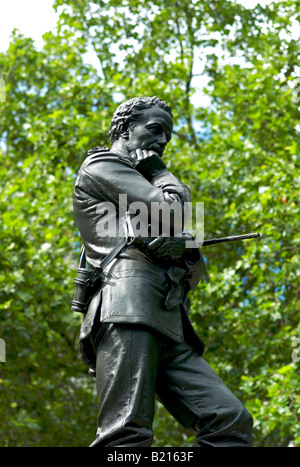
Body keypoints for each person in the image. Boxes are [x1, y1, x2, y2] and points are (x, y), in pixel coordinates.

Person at [73, 96, 253, 447]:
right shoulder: (102, 165)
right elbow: (173, 212)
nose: (162, 141)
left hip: (170, 319)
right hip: (127, 308)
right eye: (154, 130)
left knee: (231, 421)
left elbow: (195, 264)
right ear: (126, 130)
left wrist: (183, 252)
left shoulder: (142, 186)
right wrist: (160, 173)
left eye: (167, 136)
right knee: (126, 434)